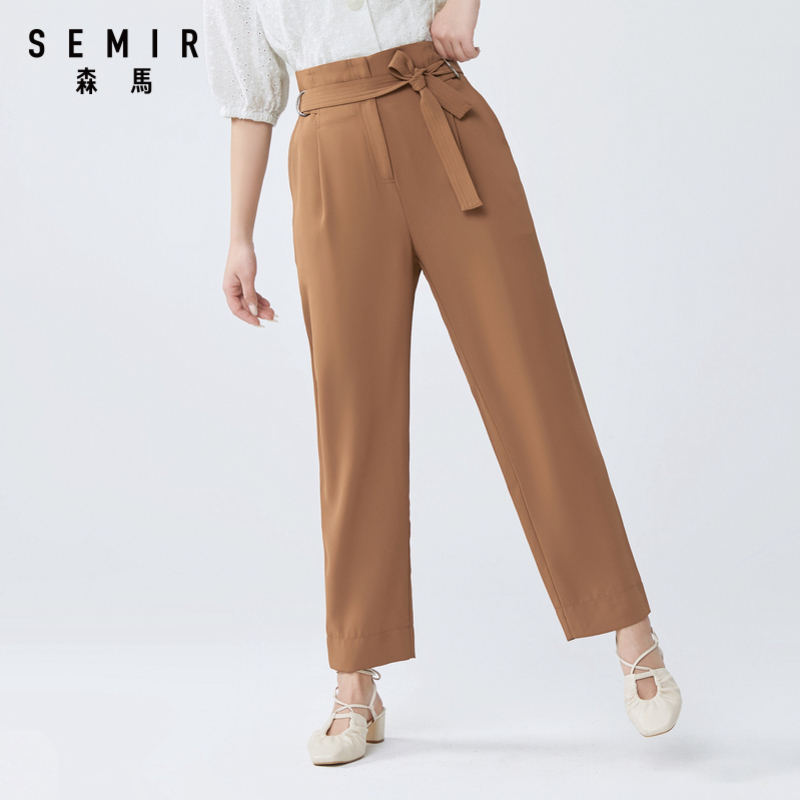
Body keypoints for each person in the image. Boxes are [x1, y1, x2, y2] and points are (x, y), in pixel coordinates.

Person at [202, 0, 683, 766]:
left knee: (532, 380)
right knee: (352, 420)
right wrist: (238, 236)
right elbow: (249, 95)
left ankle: (630, 627)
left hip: (439, 117)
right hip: (329, 148)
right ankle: (355, 677)